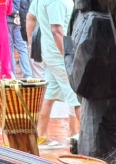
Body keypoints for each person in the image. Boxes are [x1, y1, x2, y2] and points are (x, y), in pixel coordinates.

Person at [27, 0, 79, 146]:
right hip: (59, 53)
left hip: (51, 51)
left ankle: (41, 135)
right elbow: (56, 30)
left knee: (49, 95)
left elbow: (31, 17)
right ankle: (81, 136)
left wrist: (32, 42)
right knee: (76, 94)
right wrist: (69, 56)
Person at [9, 0, 31, 77]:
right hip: (18, 19)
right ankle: (27, 75)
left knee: (10, 49)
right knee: (22, 48)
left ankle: (12, 75)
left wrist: (12, 12)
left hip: (9, 19)